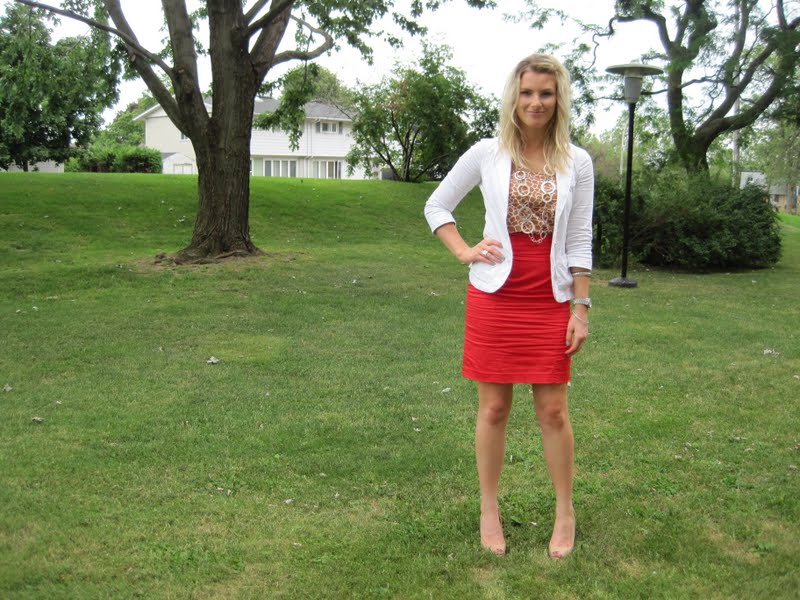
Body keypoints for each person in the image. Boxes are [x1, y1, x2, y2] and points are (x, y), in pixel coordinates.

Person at [423, 53, 593, 559]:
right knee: (494, 409)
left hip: (549, 298)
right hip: (495, 297)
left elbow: (580, 238)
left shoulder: (577, 162)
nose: (535, 102)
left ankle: (565, 512)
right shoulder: (487, 152)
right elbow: (437, 205)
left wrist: (580, 307)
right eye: (527, 93)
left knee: (554, 411)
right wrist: (463, 250)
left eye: (545, 93)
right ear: (513, 97)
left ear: (558, 98)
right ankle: (489, 509)